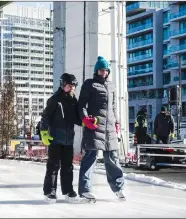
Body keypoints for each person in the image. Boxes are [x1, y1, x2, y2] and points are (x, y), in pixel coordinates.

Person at [77, 56, 125, 201]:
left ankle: (118, 188)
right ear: (96, 70)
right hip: (94, 126)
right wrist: (85, 119)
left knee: (112, 158)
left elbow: (113, 106)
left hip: (109, 127)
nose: (103, 72)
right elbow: (81, 105)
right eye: (101, 70)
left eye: (105, 70)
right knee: (90, 158)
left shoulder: (111, 86)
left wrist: (116, 122)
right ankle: (85, 190)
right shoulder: (89, 84)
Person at [40, 73, 81, 203]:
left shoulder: (74, 100)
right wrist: (44, 133)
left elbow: (76, 119)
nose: (72, 88)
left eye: (73, 86)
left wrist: (85, 121)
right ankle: (50, 191)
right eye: (69, 85)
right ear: (63, 84)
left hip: (69, 140)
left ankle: (68, 191)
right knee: (53, 166)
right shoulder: (55, 100)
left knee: (68, 167)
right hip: (56, 139)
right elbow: (45, 117)